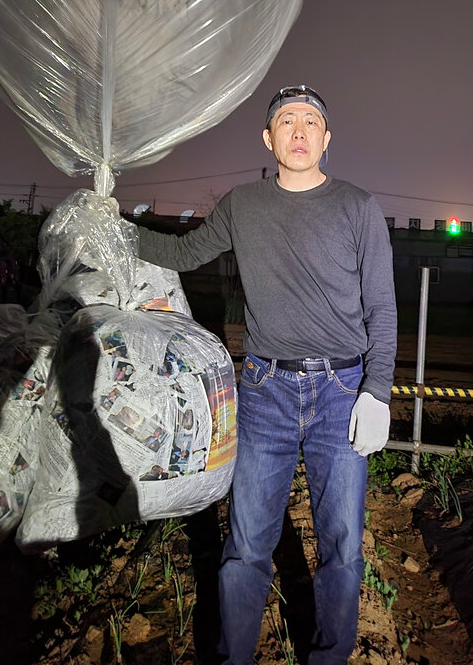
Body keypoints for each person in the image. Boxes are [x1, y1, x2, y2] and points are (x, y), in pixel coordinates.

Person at [136, 84, 397, 665]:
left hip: (341, 392)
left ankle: (327, 657)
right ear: (268, 139)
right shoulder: (242, 205)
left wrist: (376, 392)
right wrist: (117, 229)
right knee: (246, 545)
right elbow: (183, 253)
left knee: (343, 548)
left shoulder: (357, 206)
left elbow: (381, 305)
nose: (299, 130)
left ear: (327, 140)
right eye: (287, 121)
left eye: (311, 122)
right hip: (264, 390)